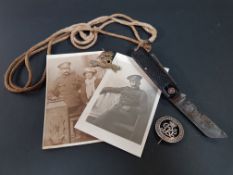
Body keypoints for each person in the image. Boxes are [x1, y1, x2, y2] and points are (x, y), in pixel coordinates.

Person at [87, 75, 148, 143]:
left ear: (139, 83)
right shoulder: (125, 88)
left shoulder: (142, 93)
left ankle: (91, 128)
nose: (134, 84)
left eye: (136, 82)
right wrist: (100, 91)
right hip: (117, 112)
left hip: (128, 116)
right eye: (132, 81)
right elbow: (112, 89)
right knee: (109, 116)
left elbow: (144, 109)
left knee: (110, 113)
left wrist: (131, 108)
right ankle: (98, 135)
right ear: (130, 82)